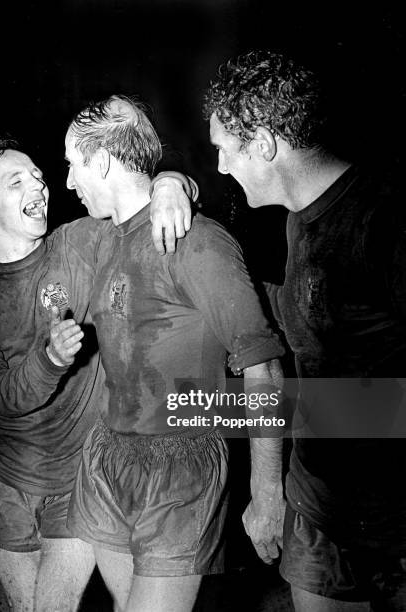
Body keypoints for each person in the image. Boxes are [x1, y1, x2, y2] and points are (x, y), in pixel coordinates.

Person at [0, 135, 194, 612]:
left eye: (37, 174)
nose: (39, 184)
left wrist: (174, 184)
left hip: (78, 474)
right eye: (16, 182)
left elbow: (134, 208)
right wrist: (50, 358)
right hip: (6, 474)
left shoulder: (78, 241)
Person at [65, 95, 285, 612]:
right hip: (109, 456)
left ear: (100, 161)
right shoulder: (99, 238)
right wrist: (173, 178)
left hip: (181, 467)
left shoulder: (198, 242)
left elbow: (264, 367)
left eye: (73, 166)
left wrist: (268, 492)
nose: (69, 182)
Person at [203, 50, 406, 611]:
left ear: (264, 145)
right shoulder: (299, 218)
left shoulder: (383, 219)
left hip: (390, 517)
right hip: (320, 504)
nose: (220, 167)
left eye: (224, 150)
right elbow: (320, 320)